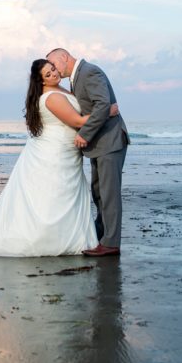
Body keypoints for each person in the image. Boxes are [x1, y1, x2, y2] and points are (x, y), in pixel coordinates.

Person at [0, 59, 119, 257]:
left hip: (67, 150)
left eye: (53, 69)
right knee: (54, 193)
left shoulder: (63, 89)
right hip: (56, 150)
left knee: (62, 192)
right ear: (41, 82)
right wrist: (107, 111)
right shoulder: (52, 97)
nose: (54, 74)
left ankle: (71, 235)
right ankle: (49, 238)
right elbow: (77, 121)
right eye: (48, 75)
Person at [46, 48, 129, 257]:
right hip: (100, 143)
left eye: (54, 64)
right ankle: (101, 233)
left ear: (64, 57)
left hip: (109, 140)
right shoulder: (77, 77)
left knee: (109, 193)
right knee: (99, 191)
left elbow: (102, 104)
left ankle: (111, 243)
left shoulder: (89, 72)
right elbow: (96, 107)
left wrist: (85, 133)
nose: (54, 70)